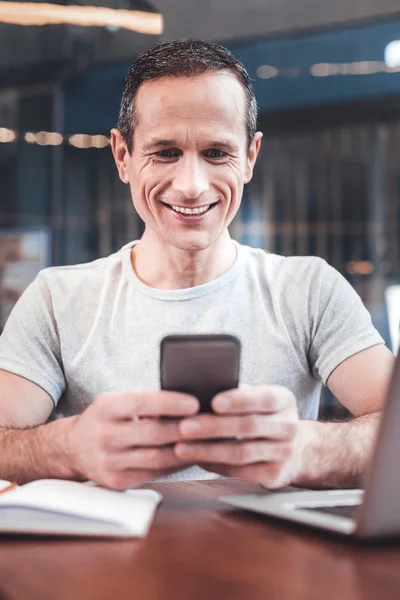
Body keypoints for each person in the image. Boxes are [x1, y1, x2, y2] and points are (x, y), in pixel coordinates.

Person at [0, 40, 394, 491]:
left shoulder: (310, 290)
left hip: (273, 559)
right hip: (108, 558)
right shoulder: (56, 299)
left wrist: (308, 448)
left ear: (249, 157)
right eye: (165, 152)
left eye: (216, 153)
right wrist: (68, 447)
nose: (190, 186)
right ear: (123, 156)